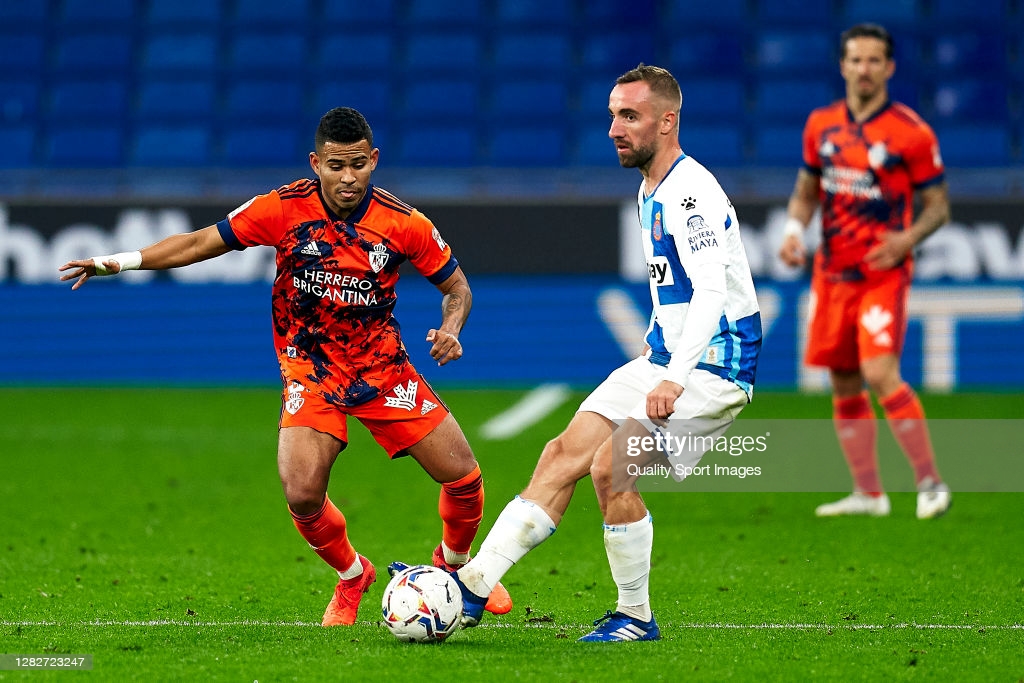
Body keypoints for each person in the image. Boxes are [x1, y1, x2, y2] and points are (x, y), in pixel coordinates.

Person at [58, 107, 511, 626]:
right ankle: (351, 577)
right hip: (311, 370)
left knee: (463, 477)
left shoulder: (404, 223)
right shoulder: (283, 208)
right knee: (301, 491)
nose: (348, 177)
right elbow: (199, 242)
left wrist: (452, 328)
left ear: (374, 160)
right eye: (336, 165)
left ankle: (456, 569)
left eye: (359, 165)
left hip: (383, 369)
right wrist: (120, 261)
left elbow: (457, 288)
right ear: (316, 162)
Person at [392, 65, 761, 642]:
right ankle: (473, 586)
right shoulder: (650, 189)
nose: (614, 128)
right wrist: (658, 341)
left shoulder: (692, 194)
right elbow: (682, 286)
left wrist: (676, 378)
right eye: (613, 114)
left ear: (668, 122)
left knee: (611, 469)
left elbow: (714, 290)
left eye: (630, 116)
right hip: (666, 358)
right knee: (561, 453)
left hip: (712, 370)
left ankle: (635, 616)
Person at [777, 24, 952, 520]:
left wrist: (907, 239)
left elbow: (938, 207)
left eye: (875, 61)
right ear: (843, 65)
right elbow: (808, 190)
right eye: (856, 60)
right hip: (832, 275)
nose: (865, 69)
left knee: (880, 371)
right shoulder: (821, 124)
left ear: (890, 68)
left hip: (882, 273)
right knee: (845, 381)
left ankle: (930, 482)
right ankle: (869, 494)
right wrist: (794, 231)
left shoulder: (911, 132)